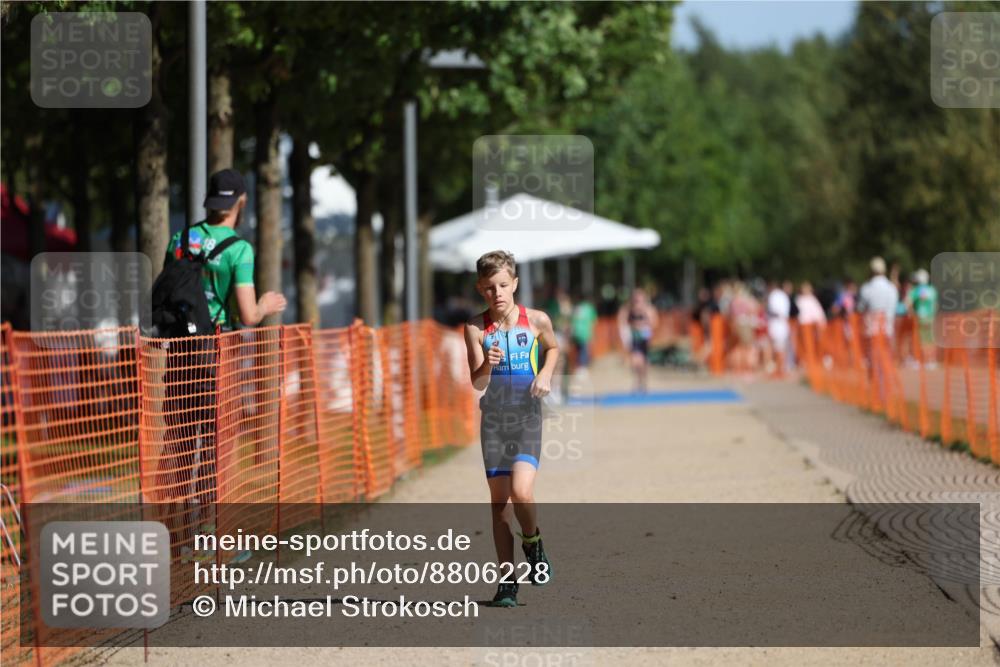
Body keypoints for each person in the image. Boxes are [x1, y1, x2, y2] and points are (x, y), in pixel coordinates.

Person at [158, 169, 287, 561]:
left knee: (179, 448)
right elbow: (247, 314)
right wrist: (266, 304)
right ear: (241, 202)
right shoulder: (239, 250)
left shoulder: (181, 240)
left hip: (178, 353)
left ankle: (177, 539)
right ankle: (212, 539)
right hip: (217, 355)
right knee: (216, 449)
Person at [464, 250, 558, 608]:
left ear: (515, 284)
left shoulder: (535, 320)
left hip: (527, 417)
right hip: (495, 423)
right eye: (489, 288)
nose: (497, 293)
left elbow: (553, 348)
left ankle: (533, 543)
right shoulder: (475, 328)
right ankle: (507, 583)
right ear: (480, 289)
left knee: (522, 491)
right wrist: (485, 365)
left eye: (503, 285)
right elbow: (476, 383)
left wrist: (546, 374)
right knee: (499, 506)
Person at [617, 288, 658, 393]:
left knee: (643, 361)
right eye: (635, 299)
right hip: (633, 338)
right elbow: (622, 321)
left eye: (640, 299)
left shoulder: (648, 309)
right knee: (635, 361)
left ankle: (643, 381)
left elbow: (654, 322)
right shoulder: (628, 309)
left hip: (644, 338)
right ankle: (637, 381)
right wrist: (626, 335)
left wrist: (644, 326)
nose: (637, 302)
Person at [765, 281, 791, 377]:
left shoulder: (774, 295)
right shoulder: (783, 295)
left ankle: (779, 370)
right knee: (781, 348)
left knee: (778, 349)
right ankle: (781, 369)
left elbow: (774, 311)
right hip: (782, 325)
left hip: (777, 325)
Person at [570, 292, 598, 373]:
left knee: (579, 350)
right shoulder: (589, 308)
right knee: (584, 350)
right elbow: (594, 321)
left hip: (576, 332)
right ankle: (582, 367)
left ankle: (579, 366)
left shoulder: (576, 308)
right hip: (585, 332)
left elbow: (572, 320)